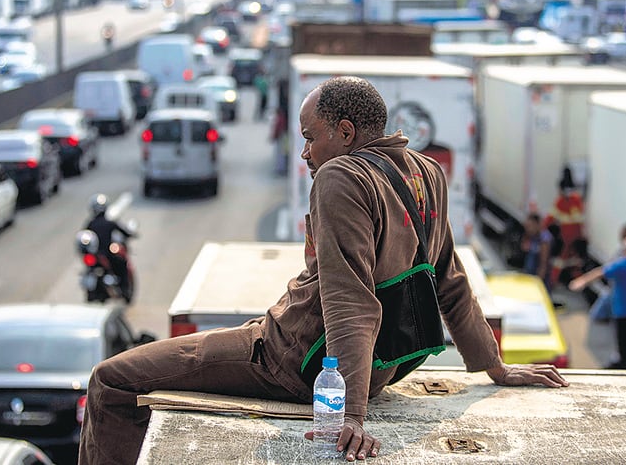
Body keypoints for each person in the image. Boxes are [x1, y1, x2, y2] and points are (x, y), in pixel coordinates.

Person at [78, 76, 568, 465]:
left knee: (111, 380)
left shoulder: (342, 177)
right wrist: (494, 367)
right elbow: (451, 281)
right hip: (377, 368)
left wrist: (350, 414)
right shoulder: (426, 173)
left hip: (291, 361)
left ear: (346, 133)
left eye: (311, 137)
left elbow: (350, 301)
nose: (305, 152)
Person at [569, 219, 626, 369]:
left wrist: (581, 281)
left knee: (624, 345)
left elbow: (600, 272)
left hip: (624, 313)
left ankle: (625, 368)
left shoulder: (622, 265)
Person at [84, 194, 134, 299]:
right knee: (122, 263)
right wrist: (131, 234)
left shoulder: (90, 224)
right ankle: (124, 289)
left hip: (96, 254)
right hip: (107, 254)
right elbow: (125, 232)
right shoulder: (109, 223)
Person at [520, 213, 553, 290]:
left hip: (539, 279)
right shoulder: (533, 236)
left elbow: (543, 264)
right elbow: (524, 247)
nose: (528, 229)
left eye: (529, 226)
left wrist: (538, 283)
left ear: (537, 224)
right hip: (529, 275)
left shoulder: (544, 239)